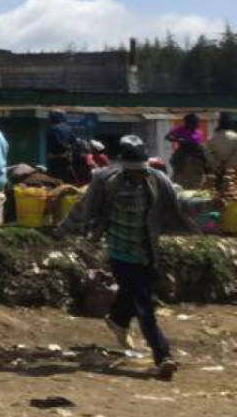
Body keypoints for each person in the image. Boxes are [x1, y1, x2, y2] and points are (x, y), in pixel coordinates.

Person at [62, 136, 190, 380]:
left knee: (131, 296)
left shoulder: (157, 179)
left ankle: (118, 319)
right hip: (120, 252)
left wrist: (206, 203)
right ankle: (163, 356)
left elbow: (179, 200)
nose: (140, 176)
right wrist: (62, 229)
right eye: (135, 172)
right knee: (144, 305)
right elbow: (83, 207)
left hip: (146, 251)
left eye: (143, 171)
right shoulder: (105, 180)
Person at [165, 113, 207, 189]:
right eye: (193, 122)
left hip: (196, 157)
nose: (196, 124)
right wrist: (179, 140)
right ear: (188, 122)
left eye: (196, 122)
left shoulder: (198, 132)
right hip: (183, 155)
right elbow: (168, 137)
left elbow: (200, 143)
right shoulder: (179, 129)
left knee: (197, 180)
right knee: (180, 178)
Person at [209, 113, 237, 205]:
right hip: (232, 171)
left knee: (217, 193)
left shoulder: (212, 138)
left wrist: (216, 164)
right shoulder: (234, 137)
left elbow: (208, 154)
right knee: (232, 195)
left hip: (217, 170)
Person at [46, 110, 80, 183]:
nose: (49, 119)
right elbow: (75, 143)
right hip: (67, 160)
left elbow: (55, 143)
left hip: (55, 160)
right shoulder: (68, 128)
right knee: (67, 180)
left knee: (54, 181)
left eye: (50, 117)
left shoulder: (52, 129)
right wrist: (69, 151)